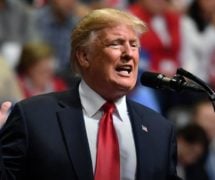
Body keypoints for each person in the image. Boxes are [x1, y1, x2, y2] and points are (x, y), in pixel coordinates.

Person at [0, 8, 180, 180]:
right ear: (84, 56)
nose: (129, 54)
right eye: (116, 43)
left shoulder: (160, 131)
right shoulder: (34, 117)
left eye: (134, 45)